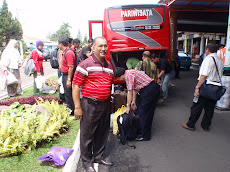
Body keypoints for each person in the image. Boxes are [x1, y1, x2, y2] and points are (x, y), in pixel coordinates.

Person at [72, 37, 114, 172]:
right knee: (87, 134)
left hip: (105, 104)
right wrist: (77, 107)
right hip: (89, 104)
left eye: (105, 46)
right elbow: (75, 86)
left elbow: (109, 84)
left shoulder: (108, 65)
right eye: (100, 46)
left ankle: (98, 156)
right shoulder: (85, 64)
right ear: (93, 48)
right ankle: (86, 161)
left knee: (103, 132)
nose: (103, 49)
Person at [182, 43, 224, 132]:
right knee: (210, 108)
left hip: (206, 87)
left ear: (207, 50)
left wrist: (197, 88)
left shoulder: (208, 59)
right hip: (215, 88)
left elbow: (204, 76)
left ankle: (190, 124)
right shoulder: (219, 60)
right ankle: (205, 125)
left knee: (197, 106)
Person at [114, 68, 160, 141]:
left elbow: (130, 91)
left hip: (149, 90)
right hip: (148, 89)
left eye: (119, 78)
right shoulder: (130, 73)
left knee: (145, 113)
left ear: (122, 75)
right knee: (140, 111)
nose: (120, 80)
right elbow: (135, 89)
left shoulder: (128, 75)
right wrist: (133, 101)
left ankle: (145, 135)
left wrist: (128, 106)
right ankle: (140, 130)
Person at [58, 38, 76, 116]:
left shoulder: (68, 53)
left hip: (68, 76)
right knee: (67, 94)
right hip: (65, 75)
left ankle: (72, 110)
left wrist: (69, 79)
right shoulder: (65, 52)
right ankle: (70, 109)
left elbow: (71, 67)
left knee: (70, 94)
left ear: (61, 44)